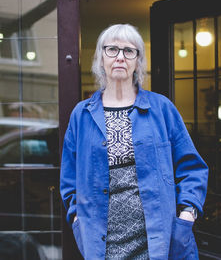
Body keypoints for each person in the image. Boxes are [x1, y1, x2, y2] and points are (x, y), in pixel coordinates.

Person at [60, 24, 208, 260]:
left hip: (159, 242)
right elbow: (69, 181)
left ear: (138, 61)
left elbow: (192, 168)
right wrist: (77, 219)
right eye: (112, 50)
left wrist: (187, 214)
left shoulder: (161, 108)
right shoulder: (82, 115)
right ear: (100, 59)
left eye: (129, 51)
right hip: (102, 245)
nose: (120, 57)